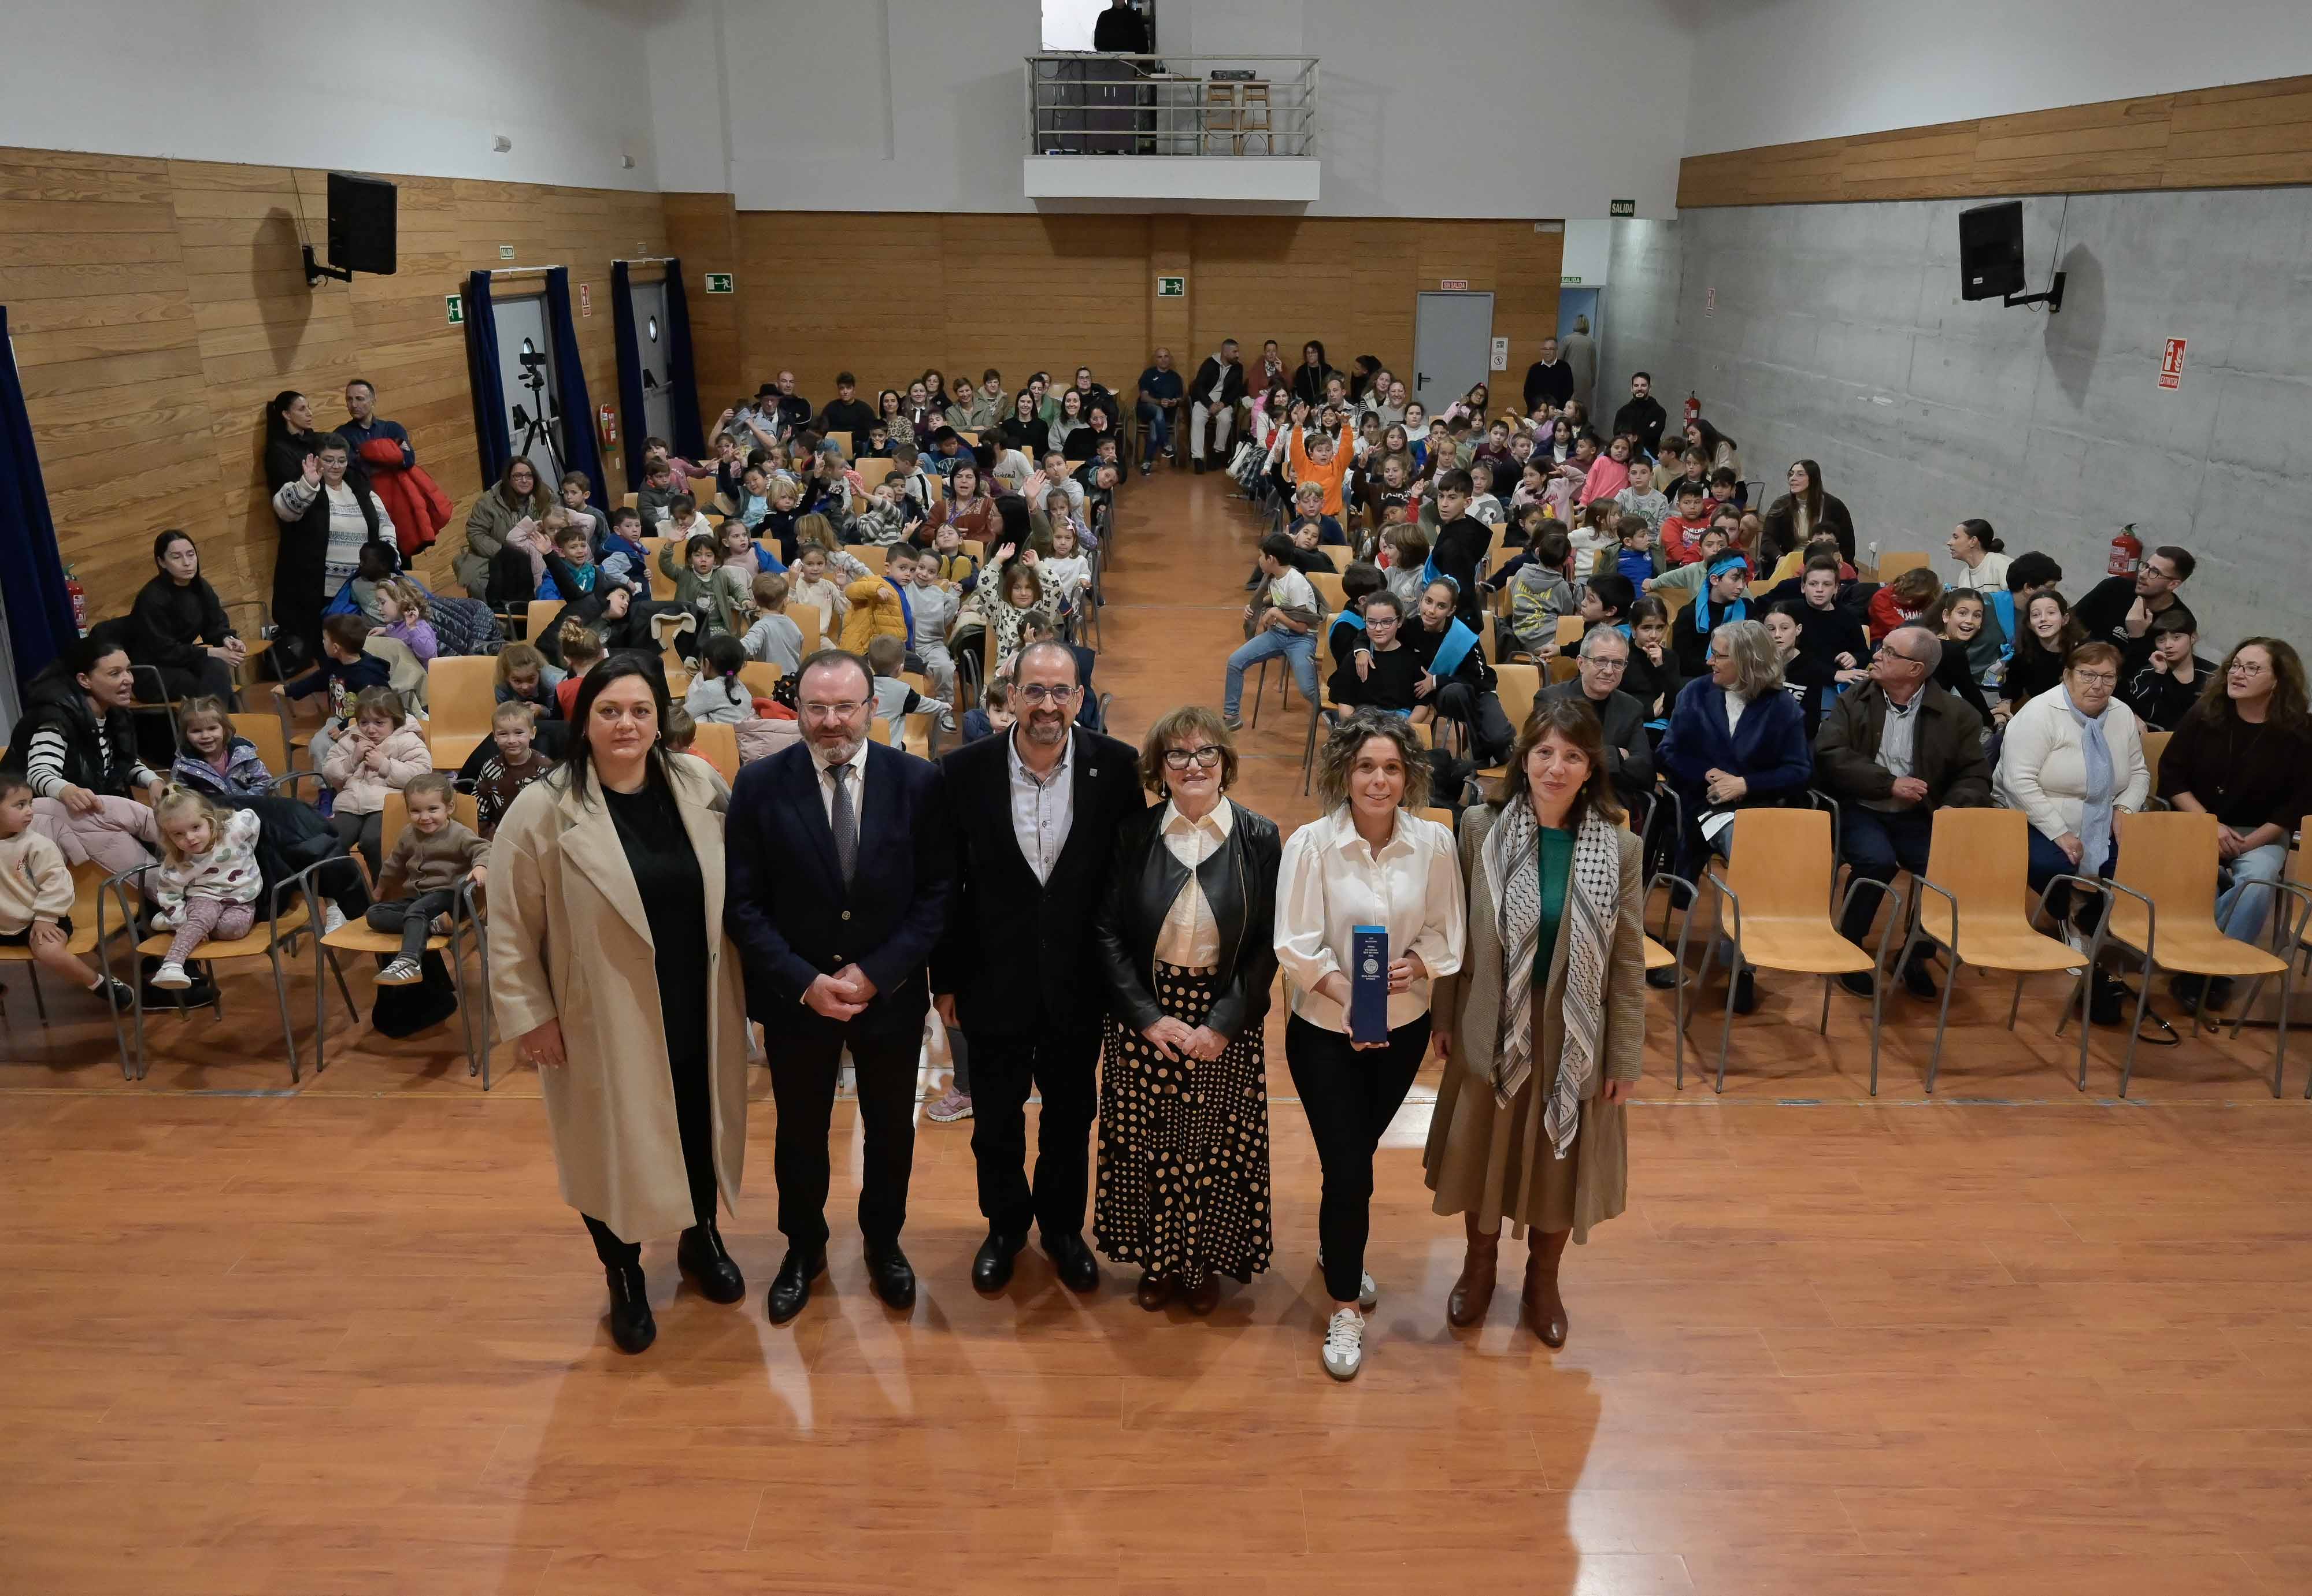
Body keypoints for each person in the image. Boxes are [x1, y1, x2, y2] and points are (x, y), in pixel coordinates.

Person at [490, 657, 751, 1354]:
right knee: (608, 1144)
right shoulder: (544, 806)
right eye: (610, 711)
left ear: (659, 718)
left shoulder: (699, 782)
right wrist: (530, 1016)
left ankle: (701, 1237)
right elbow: (511, 923)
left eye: (640, 710)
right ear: (585, 721)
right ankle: (625, 1273)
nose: (626, 724)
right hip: (597, 1010)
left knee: (698, 1120)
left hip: (697, 996)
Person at [726, 649, 952, 1323]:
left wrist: (876, 972)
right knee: (800, 1130)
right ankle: (804, 1248)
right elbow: (743, 905)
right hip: (799, 1000)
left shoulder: (918, 781)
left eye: (844, 707)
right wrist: (804, 981)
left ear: (872, 709)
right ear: (797, 710)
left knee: (890, 1130)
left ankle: (885, 1242)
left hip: (891, 995)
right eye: (816, 708)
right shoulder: (760, 785)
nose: (831, 721)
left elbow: (939, 895)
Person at [1424, 696, 1643, 1346]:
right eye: (1544, 751)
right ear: (1524, 758)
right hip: (1492, 1021)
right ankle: (1480, 1265)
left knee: (1559, 1161)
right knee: (1483, 1154)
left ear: (1589, 767)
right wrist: (1443, 1014)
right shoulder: (1477, 828)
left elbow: (1627, 964)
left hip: (1574, 1033)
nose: (1555, 767)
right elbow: (1453, 937)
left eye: (1571, 755)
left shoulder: (1620, 847)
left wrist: (1625, 1057)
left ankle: (1543, 1279)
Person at [933, 641, 1140, 1292]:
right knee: (994, 1118)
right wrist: (946, 982)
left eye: (1061, 691)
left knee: (1070, 1117)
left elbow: (1124, 882)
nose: (1048, 704)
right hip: (991, 982)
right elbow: (946, 885)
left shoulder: (1117, 765)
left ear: (1080, 699)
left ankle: (1060, 1227)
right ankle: (1004, 1226)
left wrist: (1121, 980)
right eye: (1035, 690)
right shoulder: (961, 770)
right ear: (1012, 693)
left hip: (1079, 984)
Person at [1274, 712, 1465, 1379]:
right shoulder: (1310, 844)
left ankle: (1337, 1248)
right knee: (1352, 1166)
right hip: (1325, 1032)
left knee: (1350, 1158)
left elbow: (1448, 931)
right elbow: (1294, 944)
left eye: (1390, 768)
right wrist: (1345, 992)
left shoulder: (1434, 844)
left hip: (1403, 1029)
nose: (1378, 780)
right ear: (1343, 774)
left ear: (1407, 774)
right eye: (1365, 767)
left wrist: (1420, 964)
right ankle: (1344, 1305)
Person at [1090, 708, 1280, 1313]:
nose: (1193, 764)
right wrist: (1146, 1015)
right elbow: (1107, 933)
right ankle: (1157, 1258)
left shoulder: (1259, 835)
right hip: (1145, 1014)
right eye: (1177, 754)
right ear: (1159, 769)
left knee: (1215, 1146)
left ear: (1225, 763)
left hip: (1225, 1014)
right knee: (1148, 1142)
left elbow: (1267, 943)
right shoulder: (1132, 833)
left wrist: (1224, 1023)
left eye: (1205, 753)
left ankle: (1201, 1262)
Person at [1812, 626, 1993, 999]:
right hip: (1860, 805)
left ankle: (1916, 952)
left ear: (1916, 670)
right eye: (1881, 648)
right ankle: (1850, 943)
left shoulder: (1959, 715)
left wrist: (1952, 808)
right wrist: (1887, 783)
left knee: (1945, 866)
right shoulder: (1853, 700)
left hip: (1921, 813)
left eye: (1889, 652)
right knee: (1878, 861)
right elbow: (1830, 754)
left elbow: (1974, 774)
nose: (1877, 654)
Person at [1655, 619, 1815, 1010]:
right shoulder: (1695, 693)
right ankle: (1741, 962)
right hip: (1701, 804)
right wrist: (1708, 774)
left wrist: (1744, 784)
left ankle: (1742, 964)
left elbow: (1799, 770)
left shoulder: (1782, 708)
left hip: (1759, 809)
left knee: (1750, 850)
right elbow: (1669, 751)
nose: (1711, 661)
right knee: (1748, 853)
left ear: (1747, 661)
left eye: (1720, 655)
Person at [1994, 642, 2151, 1014]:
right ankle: (2066, 914)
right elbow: (2018, 782)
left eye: (2108, 677)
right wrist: (2058, 831)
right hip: (2034, 814)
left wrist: (2125, 808)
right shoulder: (2038, 714)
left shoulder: (2122, 714)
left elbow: (2139, 773)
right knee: (2055, 864)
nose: (2098, 685)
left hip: (2103, 814)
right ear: (2067, 676)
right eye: (2088, 675)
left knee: (2136, 863)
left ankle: (2097, 914)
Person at [2155, 639, 2312, 1007]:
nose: (2238, 674)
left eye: (2252, 668)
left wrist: (2252, 842)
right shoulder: (2205, 713)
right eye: (2235, 665)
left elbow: (2299, 803)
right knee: (2198, 879)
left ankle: (2208, 971)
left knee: (2257, 883)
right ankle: (2204, 961)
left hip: (2260, 833)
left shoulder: (2300, 731)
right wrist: (2208, 825)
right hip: (2197, 823)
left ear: (2278, 681)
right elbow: (2172, 777)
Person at [2, 628, 165, 893]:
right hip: (27, 815)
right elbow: (39, 774)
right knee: (99, 816)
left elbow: (116, 760)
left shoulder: (112, 711)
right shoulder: (56, 718)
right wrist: (65, 789)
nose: (128, 680)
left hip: (84, 805)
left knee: (137, 813)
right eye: (115, 674)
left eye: (128, 670)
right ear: (84, 680)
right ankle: (171, 893)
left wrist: (153, 780)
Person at [0, 773, 136, 1011]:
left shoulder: (36, 845)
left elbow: (57, 883)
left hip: (40, 920)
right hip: (4, 921)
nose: (30, 811)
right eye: (20, 805)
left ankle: (101, 984)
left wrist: (46, 917)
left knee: (50, 952)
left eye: (30, 803)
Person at [272, 433, 394, 665]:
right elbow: (285, 510)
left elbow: (385, 524)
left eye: (341, 460)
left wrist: (388, 555)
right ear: (316, 459)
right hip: (319, 592)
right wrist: (308, 484)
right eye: (329, 460)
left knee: (361, 653)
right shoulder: (302, 485)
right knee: (331, 656)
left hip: (359, 588)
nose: (336, 466)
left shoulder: (360, 487)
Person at [364, 771, 489, 988]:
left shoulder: (458, 833)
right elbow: (394, 864)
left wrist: (480, 865)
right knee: (374, 915)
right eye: (416, 811)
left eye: (433, 809)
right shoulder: (408, 834)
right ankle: (433, 926)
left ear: (448, 808)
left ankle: (410, 961)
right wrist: (380, 888)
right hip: (419, 900)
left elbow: (485, 848)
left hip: (450, 896)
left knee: (416, 911)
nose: (424, 817)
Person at [144, 790, 263, 992]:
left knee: (234, 929)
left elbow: (253, 819)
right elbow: (169, 894)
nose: (189, 838)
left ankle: (186, 926)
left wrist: (248, 847)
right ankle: (171, 965)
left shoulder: (234, 829)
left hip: (241, 899)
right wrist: (181, 920)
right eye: (178, 834)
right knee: (203, 916)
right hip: (204, 896)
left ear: (210, 819)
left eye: (196, 827)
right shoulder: (178, 862)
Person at [1539, 628, 1656, 816]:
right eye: (1601, 661)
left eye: (1618, 664)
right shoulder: (1550, 700)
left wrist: (1581, 757)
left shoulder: (1631, 707)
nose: (1609, 671)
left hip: (1609, 803)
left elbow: (1645, 773)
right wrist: (1616, 754)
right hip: (1556, 797)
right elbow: (1547, 760)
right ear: (1581, 663)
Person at [126, 529, 243, 715]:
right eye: (176, 557)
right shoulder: (152, 598)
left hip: (184, 660)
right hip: (153, 670)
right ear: (162, 562)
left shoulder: (200, 587)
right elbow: (164, 650)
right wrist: (212, 652)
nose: (187, 563)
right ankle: (215, 733)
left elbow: (215, 624)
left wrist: (227, 639)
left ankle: (225, 733)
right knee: (203, 684)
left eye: (191, 555)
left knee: (217, 669)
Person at [320, 686, 430, 876]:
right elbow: (329, 771)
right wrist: (351, 761)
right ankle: (346, 895)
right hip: (350, 804)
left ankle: (383, 892)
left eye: (379, 723)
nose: (370, 729)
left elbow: (422, 774)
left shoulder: (408, 740)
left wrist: (386, 766)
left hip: (387, 804)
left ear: (394, 721)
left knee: (372, 841)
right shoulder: (350, 739)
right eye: (364, 722)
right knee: (332, 840)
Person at [1221, 533, 1323, 730]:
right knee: (1235, 662)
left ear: (1271, 559)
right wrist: (1255, 606)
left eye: (1261, 556)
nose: (1258, 560)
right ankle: (1231, 716)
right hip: (1277, 635)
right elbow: (1277, 598)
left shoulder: (1296, 584)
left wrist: (1277, 613)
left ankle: (1338, 718)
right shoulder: (1274, 577)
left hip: (1300, 639)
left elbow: (1303, 627)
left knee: (1308, 689)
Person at [2073, 545, 2194, 666]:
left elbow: (2149, 675)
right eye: (2145, 566)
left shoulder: (2179, 621)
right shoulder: (2114, 588)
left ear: (2173, 584)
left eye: (2155, 572)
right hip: (2084, 666)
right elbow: (2071, 623)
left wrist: (2137, 636)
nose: (2142, 575)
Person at [458, 457, 554, 600]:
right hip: (495, 554)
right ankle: (498, 617)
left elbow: (558, 521)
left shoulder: (545, 495)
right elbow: (475, 533)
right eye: (518, 476)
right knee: (482, 585)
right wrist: (502, 551)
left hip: (537, 553)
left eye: (529, 476)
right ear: (508, 479)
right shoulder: (489, 501)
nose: (524, 480)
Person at [1996, 589, 2087, 728]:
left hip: (2081, 719)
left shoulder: (2084, 651)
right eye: (2036, 615)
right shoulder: (2024, 653)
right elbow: (2013, 685)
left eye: (2051, 613)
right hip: (2043, 720)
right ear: (2029, 624)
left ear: (2065, 619)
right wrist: (2005, 703)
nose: (2043, 619)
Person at [2121, 607, 2213, 732]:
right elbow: (2142, 713)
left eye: (2176, 638)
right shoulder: (2147, 673)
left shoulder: (2212, 675)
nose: (2168, 645)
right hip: (2154, 741)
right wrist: (2159, 674)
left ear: (2193, 638)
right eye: (2161, 640)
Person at [473, 702, 557, 836]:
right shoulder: (490, 767)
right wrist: (481, 837)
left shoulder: (546, 768)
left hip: (538, 833)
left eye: (519, 733)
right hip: (501, 832)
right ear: (494, 736)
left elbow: (554, 808)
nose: (511, 740)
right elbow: (480, 806)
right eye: (503, 734)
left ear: (532, 733)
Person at [169, 697, 274, 799]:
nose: (205, 736)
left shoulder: (243, 752)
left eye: (212, 728)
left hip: (250, 809)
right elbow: (180, 799)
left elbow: (265, 782)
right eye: (196, 731)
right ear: (186, 734)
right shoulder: (183, 765)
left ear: (224, 729)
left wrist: (244, 802)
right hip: (210, 814)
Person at [1760, 460, 1857, 565]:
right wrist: (1780, 557)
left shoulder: (1835, 507)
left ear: (1813, 479)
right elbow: (1767, 541)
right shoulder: (1781, 505)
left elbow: (1848, 545)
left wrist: (1838, 564)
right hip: (1791, 561)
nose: (1793, 478)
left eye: (1800, 475)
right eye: (1791, 474)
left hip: (1827, 563)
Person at [339, 378, 413, 469]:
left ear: (373, 403)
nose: (354, 404)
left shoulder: (393, 429)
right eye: (349, 399)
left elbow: (409, 460)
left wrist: (366, 456)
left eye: (360, 399)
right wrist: (391, 450)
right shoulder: (340, 435)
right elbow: (354, 470)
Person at [1134, 347, 1184, 473]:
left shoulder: (1175, 377)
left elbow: (1180, 398)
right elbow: (1144, 397)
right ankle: (1166, 445)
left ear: (1170, 358)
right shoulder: (1148, 374)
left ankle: (1146, 463)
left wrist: (1174, 402)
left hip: (1167, 412)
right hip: (1146, 409)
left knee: (1155, 427)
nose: (1163, 359)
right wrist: (1159, 402)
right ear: (1156, 360)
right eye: (1160, 357)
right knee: (1158, 411)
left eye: (1166, 356)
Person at [1609, 373, 1668, 456]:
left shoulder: (1659, 412)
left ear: (1649, 388)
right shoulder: (1622, 412)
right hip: (1625, 455)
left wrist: (1632, 436)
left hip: (1650, 457)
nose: (1639, 389)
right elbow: (1618, 437)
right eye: (1636, 386)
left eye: (1643, 385)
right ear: (1632, 389)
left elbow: (1652, 437)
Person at [1945, 519, 2010, 593]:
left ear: (1973, 541)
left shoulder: (2000, 564)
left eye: (1956, 537)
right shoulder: (1964, 575)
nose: (1949, 543)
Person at [1522, 336, 1573, 413]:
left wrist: (1555, 410)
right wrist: (1536, 409)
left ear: (1557, 350)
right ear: (1541, 351)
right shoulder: (1534, 368)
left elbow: (1569, 390)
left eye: (1551, 349)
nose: (1547, 352)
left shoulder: (1565, 367)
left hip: (1557, 412)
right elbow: (1528, 392)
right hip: (1537, 412)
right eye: (1545, 349)